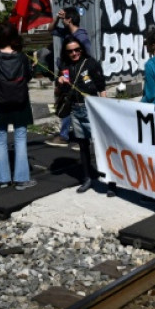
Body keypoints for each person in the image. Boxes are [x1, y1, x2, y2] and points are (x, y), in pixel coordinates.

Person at [0, 22, 34, 190]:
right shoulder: (22, 57)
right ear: (13, 37)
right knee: (20, 138)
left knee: (0, 139)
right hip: (20, 101)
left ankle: (2, 180)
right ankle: (21, 179)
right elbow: (28, 77)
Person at [56, 36, 107, 194]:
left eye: (77, 50)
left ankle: (108, 180)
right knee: (83, 145)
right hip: (75, 109)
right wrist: (59, 82)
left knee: (100, 145)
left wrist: (104, 108)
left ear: (82, 49)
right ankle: (87, 178)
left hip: (91, 107)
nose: (74, 53)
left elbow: (101, 86)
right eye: (70, 51)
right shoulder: (64, 66)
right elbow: (59, 92)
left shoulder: (91, 63)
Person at [46, 7, 91, 148]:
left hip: (76, 75)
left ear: (69, 19)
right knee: (66, 102)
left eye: (64, 17)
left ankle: (82, 138)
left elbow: (86, 58)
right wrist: (58, 18)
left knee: (78, 104)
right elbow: (51, 29)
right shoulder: (66, 33)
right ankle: (65, 135)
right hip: (65, 73)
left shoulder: (81, 37)